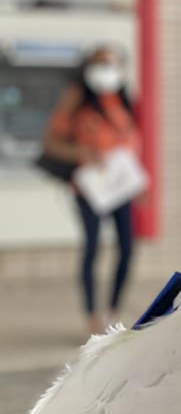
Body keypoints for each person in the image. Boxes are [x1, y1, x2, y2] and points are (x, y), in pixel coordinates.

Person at [43, 45, 141, 335]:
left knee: (127, 248)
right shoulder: (76, 100)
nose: (105, 70)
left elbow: (133, 146)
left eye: (111, 64)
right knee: (92, 247)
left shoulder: (124, 101)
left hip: (120, 188)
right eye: (99, 63)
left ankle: (112, 310)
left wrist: (140, 183)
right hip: (89, 189)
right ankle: (91, 315)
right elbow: (52, 143)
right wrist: (81, 153)